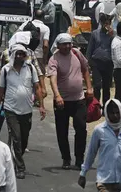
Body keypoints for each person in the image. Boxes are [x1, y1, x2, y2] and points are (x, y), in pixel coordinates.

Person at [0, 44, 46, 179]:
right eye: (17, 54)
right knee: (16, 138)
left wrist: (41, 106)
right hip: (11, 109)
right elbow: (0, 91)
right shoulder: (6, 70)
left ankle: (13, 159)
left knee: (24, 139)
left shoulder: (30, 68)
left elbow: (37, 87)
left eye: (22, 54)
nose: (20, 56)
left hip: (27, 110)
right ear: (13, 55)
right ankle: (20, 167)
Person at [49, 33, 93, 170]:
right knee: (62, 131)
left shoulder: (77, 54)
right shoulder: (54, 59)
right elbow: (53, 79)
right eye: (64, 44)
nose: (68, 46)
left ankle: (79, 158)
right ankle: (66, 158)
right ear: (58, 45)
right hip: (62, 101)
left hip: (79, 99)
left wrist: (89, 88)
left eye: (69, 43)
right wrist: (57, 96)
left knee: (81, 128)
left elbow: (85, 69)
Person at [78, 99, 121, 192]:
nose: (115, 115)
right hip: (104, 181)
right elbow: (91, 153)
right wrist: (83, 173)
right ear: (106, 113)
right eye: (112, 113)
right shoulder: (99, 130)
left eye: (117, 112)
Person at [87, 14, 115, 106]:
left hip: (108, 63)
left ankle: (106, 106)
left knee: (106, 87)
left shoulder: (113, 35)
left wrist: (112, 36)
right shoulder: (95, 33)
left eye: (108, 23)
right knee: (97, 86)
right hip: (96, 63)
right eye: (105, 23)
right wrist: (88, 62)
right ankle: (96, 106)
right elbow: (90, 49)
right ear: (101, 23)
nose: (107, 25)